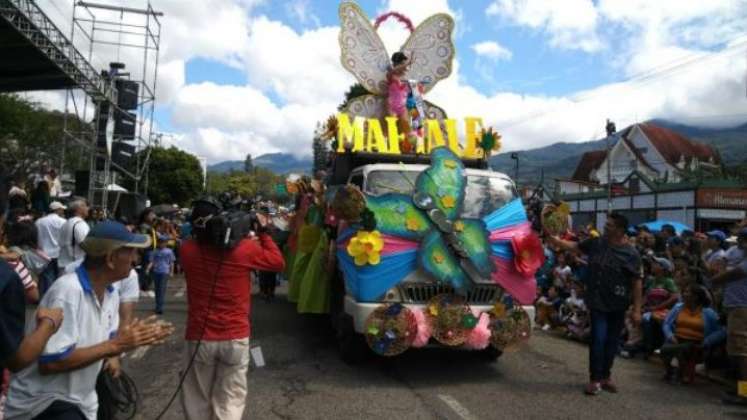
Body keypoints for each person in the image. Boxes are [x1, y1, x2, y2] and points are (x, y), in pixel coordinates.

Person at [4, 220, 174, 420]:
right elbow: (51, 363)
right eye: (131, 252)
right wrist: (115, 346)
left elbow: (106, 344)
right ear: (110, 258)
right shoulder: (68, 291)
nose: (136, 259)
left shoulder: (110, 294)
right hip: (45, 404)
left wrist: (116, 352)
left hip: (80, 402)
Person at [179, 198, 284, 420]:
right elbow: (277, 263)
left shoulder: (187, 250)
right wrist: (263, 232)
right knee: (230, 402)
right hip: (235, 337)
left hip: (200, 337)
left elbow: (194, 240)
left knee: (196, 399)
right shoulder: (245, 249)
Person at [546, 213, 643, 396]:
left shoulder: (631, 254)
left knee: (611, 343)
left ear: (620, 230)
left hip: (618, 305)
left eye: (610, 225)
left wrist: (637, 310)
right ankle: (594, 379)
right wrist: (556, 241)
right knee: (598, 339)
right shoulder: (596, 243)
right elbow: (575, 247)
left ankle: (606, 376)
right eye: (606, 224)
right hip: (597, 302)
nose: (605, 227)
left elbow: (637, 282)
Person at [661, 284, 725, 384]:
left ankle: (678, 372)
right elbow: (666, 323)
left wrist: (707, 341)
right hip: (677, 338)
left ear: (695, 297)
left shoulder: (708, 312)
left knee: (684, 348)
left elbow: (722, 330)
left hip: (696, 343)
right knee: (669, 348)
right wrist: (670, 335)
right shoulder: (678, 307)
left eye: (687, 292)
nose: (684, 294)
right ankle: (674, 372)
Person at [711, 227, 747, 406]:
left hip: (742, 309)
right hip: (735, 307)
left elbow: (732, 274)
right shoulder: (739, 255)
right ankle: (740, 388)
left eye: (742, 240)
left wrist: (715, 279)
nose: (740, 244)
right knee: (736, 352)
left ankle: (745, 394)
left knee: (742, 354)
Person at [35, 201, 67, 294]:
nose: (63, 212)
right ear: (57, 210)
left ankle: (44, 298)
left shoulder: (39, 221)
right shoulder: (63, 222)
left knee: (46, 277)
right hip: (59, 254)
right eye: (62, 209)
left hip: (43, 254)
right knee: (59, 278)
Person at [58, 198, 91, 272]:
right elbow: (86, 245)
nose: (88, 208)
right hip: (75, 267)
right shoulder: (80, 224)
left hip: (63, 265)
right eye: (85, 206)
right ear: (79, 209)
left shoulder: (66, 223)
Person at [147, 235, 175, 314]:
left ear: (166, 243)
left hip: (164, 272)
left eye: (163, 242)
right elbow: (152, 261)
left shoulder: (169, 251)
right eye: (160, 242)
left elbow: (172, 262)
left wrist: (171, 271)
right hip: (156, 272)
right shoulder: (155, 251)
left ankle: (160, 308)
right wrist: (148, 268)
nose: (161, 243)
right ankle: (157, 306)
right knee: (157, 289)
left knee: (161, 289)